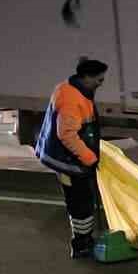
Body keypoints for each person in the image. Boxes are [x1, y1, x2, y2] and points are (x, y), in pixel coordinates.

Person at [35, 58, 107, 258]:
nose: (101, 84)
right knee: (80, 202)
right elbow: (67, 135)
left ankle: (85, 239)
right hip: (68, 161)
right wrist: (90, 158)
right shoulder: (71, 99)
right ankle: (81, 243)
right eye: (99, 80)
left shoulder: (72, 88)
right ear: (86, 77)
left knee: (82, 201)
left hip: (71, 158)